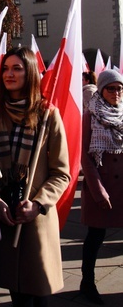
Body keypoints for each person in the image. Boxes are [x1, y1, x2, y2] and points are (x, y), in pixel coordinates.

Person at [0, 46, 70, 307]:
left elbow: (61, 172)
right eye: (6, 68)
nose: (9, 74)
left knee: (39, 292)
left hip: (35, 219)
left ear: (30, 72)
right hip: (5, 216)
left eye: (17, 68)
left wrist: (39, 204)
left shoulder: (47, 114)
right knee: (17, 293)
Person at [80, 69, 123, 305]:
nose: (116, 93)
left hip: (122, 186)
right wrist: (98, 191)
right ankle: (87, 283)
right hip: (101, 183)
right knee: (95, 237)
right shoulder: (90, 115)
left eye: (119, 88)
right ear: (102, 90)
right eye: (111, 88)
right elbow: (85, 157)